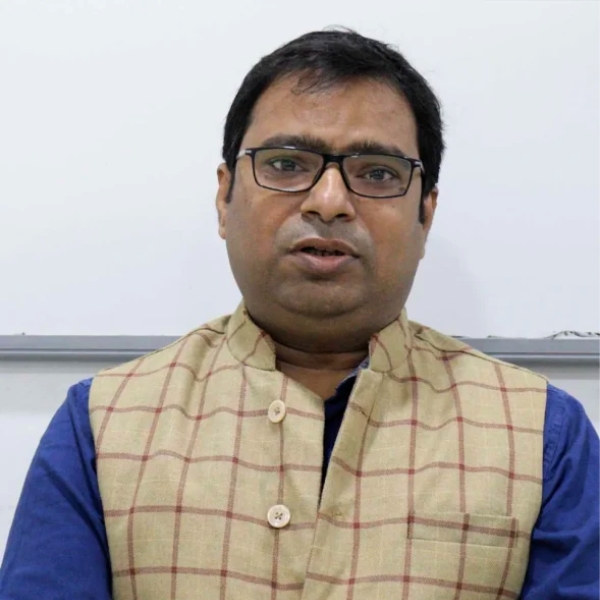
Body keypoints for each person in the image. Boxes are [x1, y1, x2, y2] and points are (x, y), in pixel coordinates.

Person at [0, 28, 598, 600]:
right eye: (287, 164)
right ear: (224, 197)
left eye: (378, 173)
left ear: (426, 214)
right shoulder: (102, 425)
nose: (329, 202)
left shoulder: (543, 435)